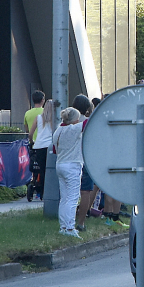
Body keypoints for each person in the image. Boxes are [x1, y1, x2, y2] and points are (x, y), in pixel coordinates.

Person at [53, 107, 85, 238]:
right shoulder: (74, 129)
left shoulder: (58, 130)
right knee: (73, 198)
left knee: (64, 198)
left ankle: (63, 226)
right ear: (74, 120)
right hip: (72, 165)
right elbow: (89, 122)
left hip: (60, 164)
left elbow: (55, 150)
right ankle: (70, 228)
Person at [71, 95, 97, 231]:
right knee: (85, 191)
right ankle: (81, 222)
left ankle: (67, 221)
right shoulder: (88, 122)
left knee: (69, 192)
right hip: (85, 158)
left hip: (70, 159)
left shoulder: (69, 121)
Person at [28, 99, 55, 201]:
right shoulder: (55, 119)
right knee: (51, 171)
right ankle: (49, 193)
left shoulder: (38, 118)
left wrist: (32, 141)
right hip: (50, 146)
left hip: (39, 146)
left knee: (42, 170)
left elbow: (30, 134)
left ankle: (42, 193)